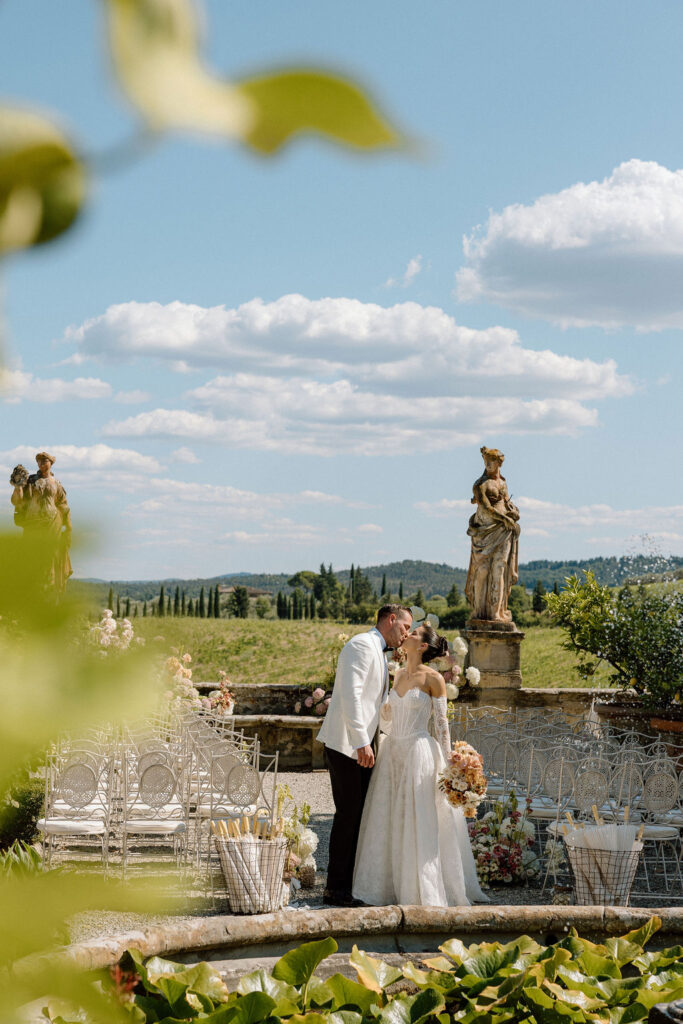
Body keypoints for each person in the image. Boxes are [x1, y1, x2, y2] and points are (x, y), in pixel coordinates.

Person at [352, 623, 488, 906]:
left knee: (419, 820)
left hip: (419, 752)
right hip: (393, 752)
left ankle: (420, 888)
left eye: (413, 633)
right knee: (389, 817)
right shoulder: (397, 674)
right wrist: (385, 713)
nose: (407, 635)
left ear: (423, 645)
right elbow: (387, 719)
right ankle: (387, 886)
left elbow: (441, 725)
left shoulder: (434, 678)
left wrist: (453, 764)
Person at [317, 603, 413, 907]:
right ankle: (335, 889)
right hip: (346, 746)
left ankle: (350, 883)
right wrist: (361, 742)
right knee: (348, 815)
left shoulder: (378, 649)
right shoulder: (360, 645)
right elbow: (351, 696)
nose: (406, 634)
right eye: (405, 627)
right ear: (391, 619)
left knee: (359, 815)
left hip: (362, 744)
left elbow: (377, 703)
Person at [465, 446, 520, 622]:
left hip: (503, 531)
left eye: (492, 461)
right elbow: (487, 508)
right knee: (482, 570)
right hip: (485, 531)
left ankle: (497, 612)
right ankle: (480, 611)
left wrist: (513, 512)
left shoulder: (503, 483)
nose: (488, 464)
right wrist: (504, 519)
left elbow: (504, 501)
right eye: (486, 461)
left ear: (499, 463)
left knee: (500, 568)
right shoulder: (479, 484)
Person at [10, 451, 73, 593]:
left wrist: (68, 526)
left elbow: (63, 505)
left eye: (44, 461)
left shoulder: (57, 484)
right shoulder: (30, 481)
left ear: (51, 463)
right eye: (38, 461)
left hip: (53, 524)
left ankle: (49, 587)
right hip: (34, 521)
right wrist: (18, 487)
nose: (41, 464)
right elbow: (18, 501)